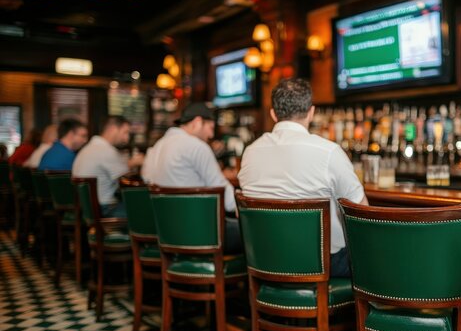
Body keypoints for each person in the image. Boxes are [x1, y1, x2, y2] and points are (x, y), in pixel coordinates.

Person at [238, 78, 368, 278]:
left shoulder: (250, 153)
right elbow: (362, 216)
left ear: (273, 114)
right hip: (323, 268)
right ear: (311, 112)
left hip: (265, 262)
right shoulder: (328, 152)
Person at [143, 102, 241, 253]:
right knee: (256, 232)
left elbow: (146, 179)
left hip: (166, 233)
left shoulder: (157, 146)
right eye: (210, 127)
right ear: (197, 122)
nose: (211, 135)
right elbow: (223, 192)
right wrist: (242, 206)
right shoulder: (196, 146)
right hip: (200, 235)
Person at [72, 116, 143, 218]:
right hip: (104, 210)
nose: (127, 138)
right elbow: (126, 178)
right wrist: (136, 162)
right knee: (146, 212)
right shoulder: (105, 150)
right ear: (113, 129)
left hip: (88, 210)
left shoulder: (91, 147)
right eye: (125, 132)